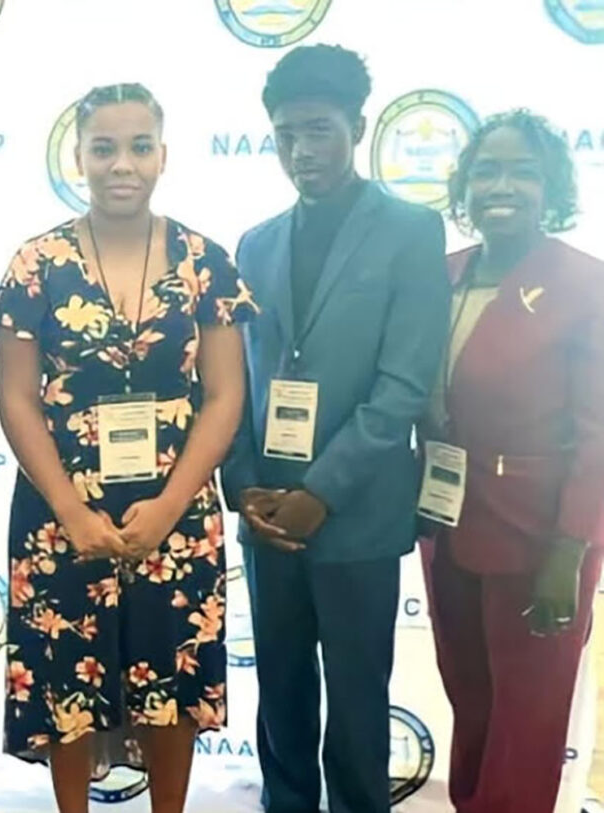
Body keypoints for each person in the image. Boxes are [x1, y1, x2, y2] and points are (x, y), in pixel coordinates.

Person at [0, 83, 256, 813]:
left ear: (163, 156)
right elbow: (14, 397)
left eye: (139, 147)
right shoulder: (37, 262)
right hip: (60, 512)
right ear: (77, 157)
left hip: (177, 509)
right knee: (66, 682)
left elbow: (225, 396)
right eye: (103, 148)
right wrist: (71, 510)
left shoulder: (205, 261)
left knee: (171, 677)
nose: (122, 164)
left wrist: (170, 505)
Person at [220, 45, 450, 813]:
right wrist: (244, 486)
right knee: (280, 689)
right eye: (285, 134)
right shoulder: (255, 243)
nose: (301, 151)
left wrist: (320, 492)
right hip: (269, 515)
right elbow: (237, 379)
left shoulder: (412, 231)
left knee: (356, 697)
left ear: (358, 126)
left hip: (357, 512)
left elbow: (403, 385)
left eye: (318, 130)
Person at [419, 110, 604, 813]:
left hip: (541, 538)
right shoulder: (443, 274)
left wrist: (570, 550)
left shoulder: (585, 283)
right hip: (447, 524)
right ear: (463, 186)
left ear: (550, 186)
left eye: (522, 172)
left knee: (526, 721)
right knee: (471, 700)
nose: (501, 186)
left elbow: (598, 433)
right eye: (486, 171)